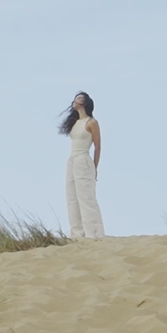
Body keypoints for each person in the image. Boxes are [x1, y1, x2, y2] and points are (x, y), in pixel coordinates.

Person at [59, 91, 105, 240]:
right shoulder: (75, 123)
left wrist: (95, 167)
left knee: (86, 197)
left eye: (78, 98)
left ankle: (94, 233)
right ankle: (77, 234)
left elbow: (98, 146)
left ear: (85, 103)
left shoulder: (91, 122)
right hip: (72, 160)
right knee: (72, 198)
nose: (74, 101)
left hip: (83, 159)